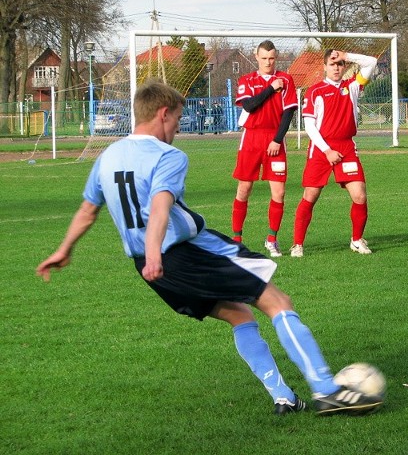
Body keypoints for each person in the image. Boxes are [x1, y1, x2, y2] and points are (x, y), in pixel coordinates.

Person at [35, 79, 382, 417]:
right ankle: (325, 389)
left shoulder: (109, 156)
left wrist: (64, 249)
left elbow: (87, 209)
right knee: (276, 302)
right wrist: (156, 252)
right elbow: (159, 206)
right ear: (163, 114)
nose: (177, 128)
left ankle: (284, 397)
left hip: (148, 268)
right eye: (178, 120)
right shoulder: (167, 155)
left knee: (238, 314)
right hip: (183, 253)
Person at [290, 49, 377, 258]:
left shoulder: (352, 86)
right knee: (310, 196)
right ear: (325, 67)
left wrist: (345, 55)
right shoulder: (315, 91)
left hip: (346, 147)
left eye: (339, 64)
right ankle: (297, 244)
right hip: (321, 149)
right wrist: (327, 150)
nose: (336, 67)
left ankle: (356, 240)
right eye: (332, 63)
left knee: (360, 195)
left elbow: (371, 62)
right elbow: (309, 125)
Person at [232, 40, 297, 257]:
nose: (268, 62)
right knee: (244, 189)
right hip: (251, 137)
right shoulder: (247, 80)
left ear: (275, 57)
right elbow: (249, 105)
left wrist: (278, 139)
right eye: (264, 58)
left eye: (272, 58)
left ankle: (272, 240)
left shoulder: (286, 79)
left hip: (275, 139)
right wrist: (271, 88)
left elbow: (288, 112)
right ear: (256, 57)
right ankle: (237, 240)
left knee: (278, 192)